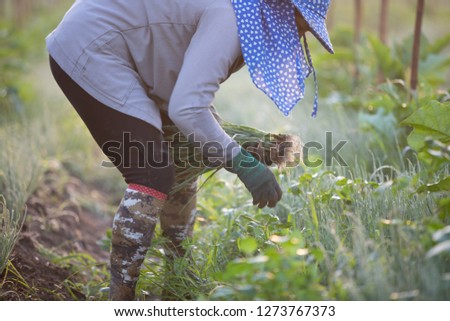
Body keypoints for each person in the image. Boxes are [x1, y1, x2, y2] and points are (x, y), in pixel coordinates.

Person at [46, 0, 334, 300]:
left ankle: (177, 275)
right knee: (152, 170)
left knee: (184, 159)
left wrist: (246, 148)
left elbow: (188, 98)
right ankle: (121, 299)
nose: (301, 37)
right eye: (303, 26)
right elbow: (188, 108)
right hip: (93, 45)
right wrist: (241, 162)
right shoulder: (232, 19)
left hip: (117, 45)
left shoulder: (245, 15)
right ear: (286, 11)